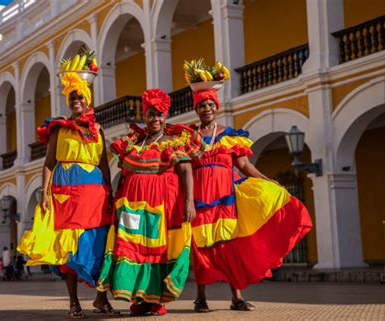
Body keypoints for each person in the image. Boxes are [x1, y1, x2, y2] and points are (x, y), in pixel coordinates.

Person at [189, 87, 313, 312]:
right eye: (201, 106)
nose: (206, 109)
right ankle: (200, 297)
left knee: (229, 246)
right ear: (196, 110)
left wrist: (267, 180)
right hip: (199, 199)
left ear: (216, 108)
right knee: (200, 246)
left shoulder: (229, 135)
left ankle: (237, 297)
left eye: (210, 105)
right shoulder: (188, 137)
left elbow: (244, 165)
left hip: (225, 198)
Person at [17, 66, 117, 318]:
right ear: (68, 101)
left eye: (80, 97)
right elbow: (49, 162)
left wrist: (110, 191)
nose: (77, 101)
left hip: (94, 191)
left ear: (87, 99)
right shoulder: (58, 129)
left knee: (98, 242)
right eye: (72, 97)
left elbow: (104, 163)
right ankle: (74, 303)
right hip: (66, 190)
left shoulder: (98, 130)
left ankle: (100, 298)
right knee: (69, 246)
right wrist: (44, 193)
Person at [97, 88, 204, 316]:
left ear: (166, 118)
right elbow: (124, 174)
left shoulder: (173, 141)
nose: (155, 119)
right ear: (144, 116)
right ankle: (139, 298)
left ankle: (156, 300)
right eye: (151, 114)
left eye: (160, 115)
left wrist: (189, 203)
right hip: (133, 206)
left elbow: (185, 170)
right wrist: (117, 201)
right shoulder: (135, 142)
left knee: (160, 251)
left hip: (165, 206)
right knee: (134, 248)